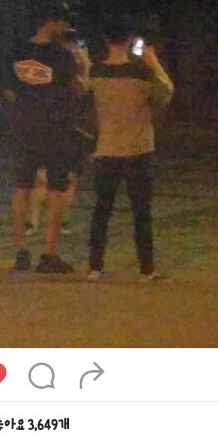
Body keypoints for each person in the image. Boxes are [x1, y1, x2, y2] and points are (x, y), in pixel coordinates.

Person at [87, 17, 174, 281]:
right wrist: (154, 62)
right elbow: (165, 93)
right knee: (141, 212)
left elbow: (86, 98)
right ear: (129, 40)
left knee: (102, 209)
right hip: (138, 148)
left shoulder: (96, 72)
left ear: (106, 40)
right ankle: (147, 268)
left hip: (107, 148)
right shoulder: (141, 73)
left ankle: (95, 266)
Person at [3, 2, 83, 273]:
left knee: (22, 186)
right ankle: (48, 253)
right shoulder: (62, 56)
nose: (65, 28)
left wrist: (25, 107)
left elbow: (8, 90)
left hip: (24, 128)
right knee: (56, 189)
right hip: (55, 129)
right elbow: (75, 91)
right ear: (52, 21)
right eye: (63, 22)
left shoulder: (17, 52)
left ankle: (20, 250)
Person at [25, 28, 92, 237]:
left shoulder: (73, 66)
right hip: (49, 125)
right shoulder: (56, 63)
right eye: (67, 41)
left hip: (71, 127)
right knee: (41, 176)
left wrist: (85, 67)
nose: (71, 47)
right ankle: (32, 221)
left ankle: (59, 220)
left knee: (68, 177)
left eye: (74, 43)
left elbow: (84, 93)